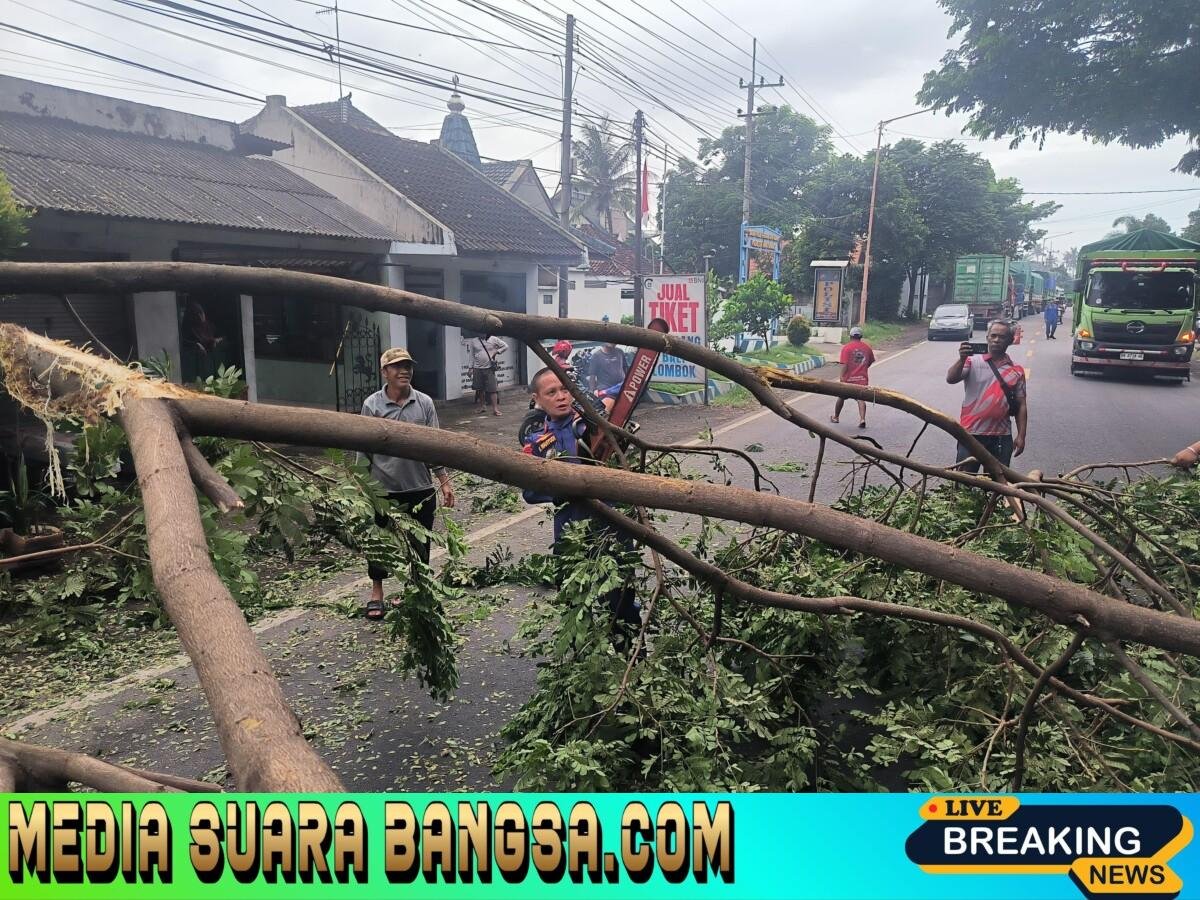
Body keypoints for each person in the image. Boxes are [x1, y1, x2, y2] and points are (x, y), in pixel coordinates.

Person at [520, 367, 640, 629]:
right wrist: (562, 488)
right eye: (552, 392)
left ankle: (631, 650)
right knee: (575, 602)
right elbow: (529, 491)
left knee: (622, 599)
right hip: (570, 530)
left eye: (565, 389)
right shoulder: (537, 443)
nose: (561, 396)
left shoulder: (594, 425)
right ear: (537, 399)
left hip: (611, 523)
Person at [360, 347, 455, 621]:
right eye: (397, 366)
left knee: (419, 545)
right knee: (380, 544)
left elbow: (434, 446)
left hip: (420, 490)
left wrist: (444, 481)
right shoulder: (372, 405)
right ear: (384, 372)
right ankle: (376, 591)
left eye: (408, 366)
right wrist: (361, 485)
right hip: (383, 491)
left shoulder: (424, 403)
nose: (404, 371)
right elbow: (362, 448)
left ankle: (414, 589)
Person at [946, 320, 1028, 473]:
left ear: (1010, 341)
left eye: (1002, 337)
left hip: (1001, 437)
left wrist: (1021, 436)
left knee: (997, 486)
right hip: (970, 434)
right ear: (987, 338)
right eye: (993, 336)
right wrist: (961, 359)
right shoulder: (971, 361)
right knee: (965, 483)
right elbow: (951, 378)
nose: (996, 340)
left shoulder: (1016, 370)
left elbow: (1021, 405)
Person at [832, 326, 875, 429]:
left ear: (850, 336)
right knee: (861, 399)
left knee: (841, 397)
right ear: (861, 336)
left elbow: (845, 364)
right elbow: (870, 362)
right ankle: (862, 419)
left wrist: (841, 377)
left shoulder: (847, 348)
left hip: (848, 380)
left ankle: (836, 417)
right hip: (862, 379)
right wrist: (863, 369)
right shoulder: (867, 348)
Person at [466, 333, 508, 416]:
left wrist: (497, 352)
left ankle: (495, 409)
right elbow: (471, 355)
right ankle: (482, 407)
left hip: (489, 368)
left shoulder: (493, 339)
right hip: (477, 368)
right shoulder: (474, 341)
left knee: (493, 389)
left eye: (483, 332)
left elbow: (505, 346)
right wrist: (470, 368)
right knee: (479, 388)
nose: (482, 333)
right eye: (480, 332)